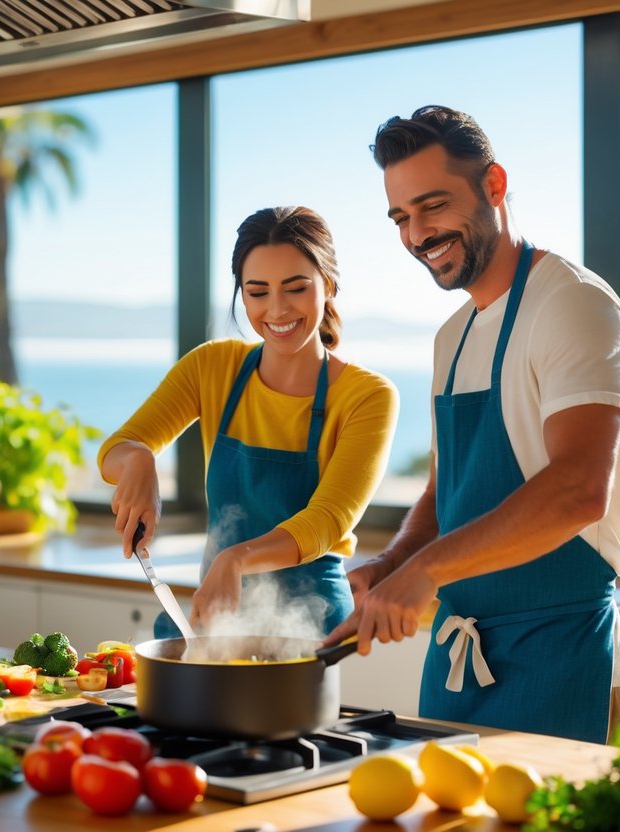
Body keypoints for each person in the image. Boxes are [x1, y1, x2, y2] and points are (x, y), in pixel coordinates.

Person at [325, 106, 620, 745]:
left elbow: (579, 488)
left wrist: (429, 573)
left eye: (433, 205)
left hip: (562, 657)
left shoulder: (574, 306)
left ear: (494, 186)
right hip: (460, 664)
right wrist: (390, 567)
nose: (418, 234)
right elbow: (447, 495)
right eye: (400, 218)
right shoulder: (453, 336)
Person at [99, 206, 399, 640]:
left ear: (329, 285)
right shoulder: (212, 367)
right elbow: (116, 449)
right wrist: (139, 461)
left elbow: (327, 521)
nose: (276, 310)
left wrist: (234, 559)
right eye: (257, 292)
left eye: (296, 288)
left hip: (311, 626)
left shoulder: (367, 396)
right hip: (218, 618)